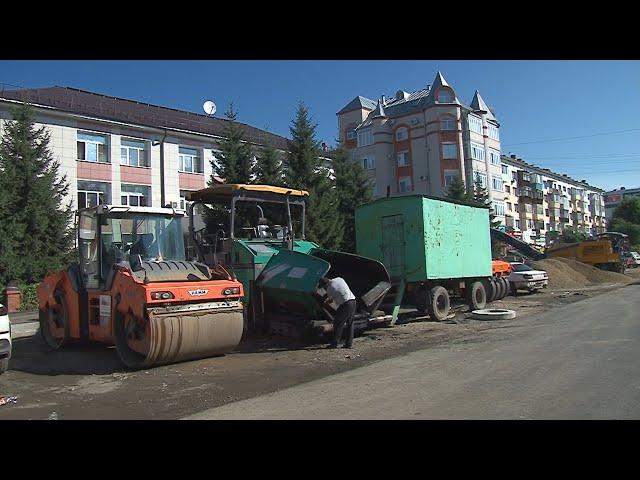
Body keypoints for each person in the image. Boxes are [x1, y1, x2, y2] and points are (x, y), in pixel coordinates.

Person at [318, 276, 357, 349]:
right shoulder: (339, 279)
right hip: (353, 301)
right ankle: (348, 343)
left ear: (325, 285)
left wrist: (324, 303)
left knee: (338, 323)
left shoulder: (330, 289)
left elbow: (330, 300)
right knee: (350, 323)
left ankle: (334, 344)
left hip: (345, 305)